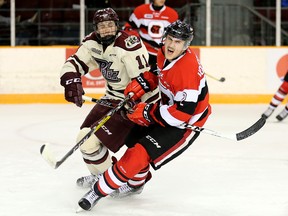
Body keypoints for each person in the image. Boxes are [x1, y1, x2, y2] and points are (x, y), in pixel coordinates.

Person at [77, 20, 212, 211]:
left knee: (139, 153)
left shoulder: (186, 71)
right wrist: (141, 84)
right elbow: (156, 74)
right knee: (133, 137)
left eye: (178, 42)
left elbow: (182, 114)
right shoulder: (163, 53)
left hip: (186, 122)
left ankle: (97, 192)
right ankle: (135, 185)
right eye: (170, 39)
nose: (172, 45)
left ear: (186, 45)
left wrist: (149, 112)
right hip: (169, 108)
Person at [60, 8, 159, 192]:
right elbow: (73, 63)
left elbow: (145, 82)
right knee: (84, 139)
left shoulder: (128, 45)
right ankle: (102, 177)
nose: (106, 29)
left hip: (132, 102)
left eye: (110, 25)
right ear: (95, 28)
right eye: (102, 26)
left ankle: (115, 181)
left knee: (90, 141)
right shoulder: (91, 43)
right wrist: (71, 80)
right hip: (111, 97)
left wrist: (146, 109)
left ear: (117, 26)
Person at [123, 0, 178, 65]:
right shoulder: (140, 10)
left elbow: (176, 36)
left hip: (163, 54)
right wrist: (135, 37)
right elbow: (127, 28)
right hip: (143, 53)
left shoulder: (172, 14)